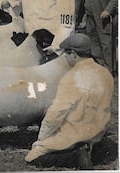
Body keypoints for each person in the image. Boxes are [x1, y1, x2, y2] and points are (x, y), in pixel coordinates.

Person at [25, 33, 114, 169]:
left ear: (73, 54)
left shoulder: (71, 77)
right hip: (97, 132)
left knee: (33, 157)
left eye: (66, 54)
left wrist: (41, 139)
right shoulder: (105, 73)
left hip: (74, 134)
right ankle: (93, 148)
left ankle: (74, 157)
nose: (65, 58)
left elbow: (56, 114)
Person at [76, 0, 118, 73]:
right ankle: (100, 66)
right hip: (90, 18)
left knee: (106, 44)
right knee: (93, 42)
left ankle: (110, 70)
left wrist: (108, 10)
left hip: (103, 19)